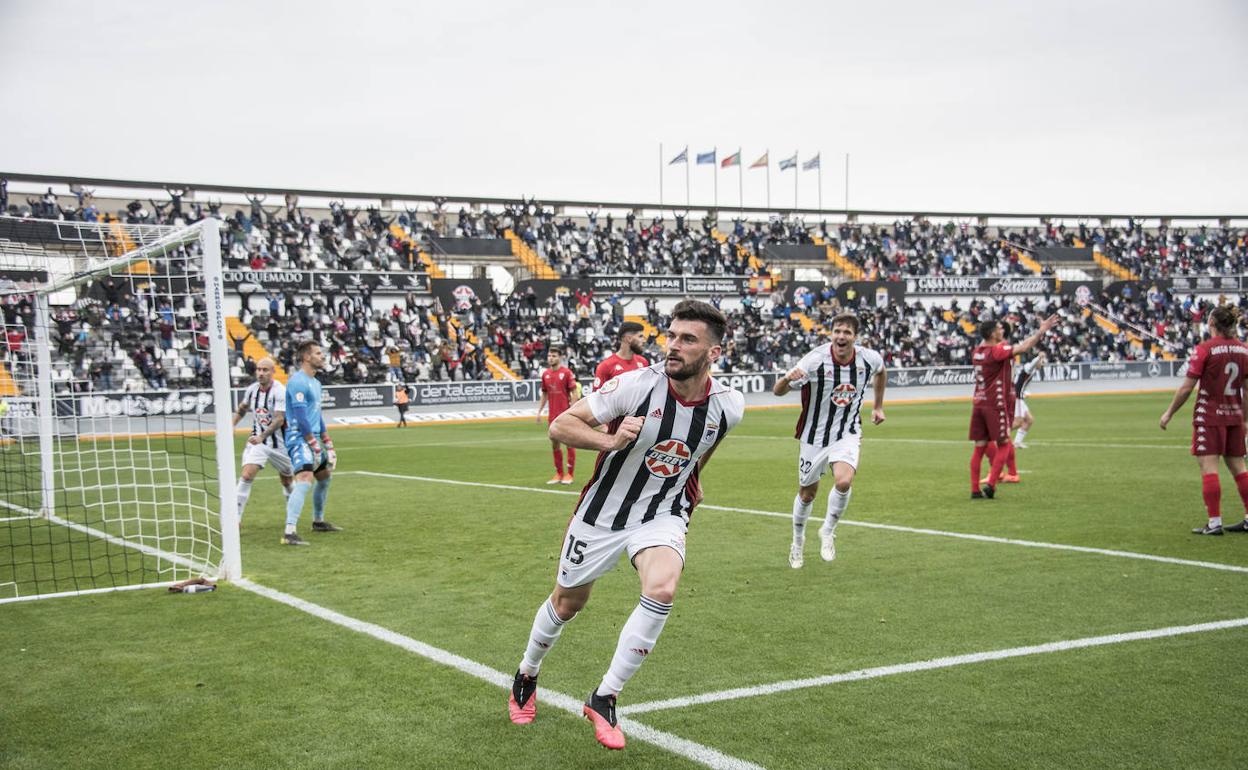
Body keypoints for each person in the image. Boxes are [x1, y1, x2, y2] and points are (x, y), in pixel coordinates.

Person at [507, 300, 744, 751]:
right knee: (568, 602)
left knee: (662, 589)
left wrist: (692, 481)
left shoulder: (729, 405)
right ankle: (527, 672)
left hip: (661, 512)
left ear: (714, 352)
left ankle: (605, 696)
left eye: (687, 339)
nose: (673, 346)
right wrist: (610, 440)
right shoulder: (637, 385)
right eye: (671, 335)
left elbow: (704, 445)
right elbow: (561, 425)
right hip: (602, 515)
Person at [772, 313, 886, 567]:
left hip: (847, 432)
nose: (841, 336)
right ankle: (797, 542)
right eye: (837, 331)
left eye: (846, 332)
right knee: (807, 493)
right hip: (814, 437)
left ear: (855, 337)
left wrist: (878, 406)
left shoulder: (869, 359)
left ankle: (827, 530)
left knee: (844, 481)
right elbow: (777, 392)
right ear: (831, 334)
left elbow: (881, 372)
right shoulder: (814, 361)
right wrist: (787, 378)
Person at [1159, 305, 1248, 535]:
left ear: (1212, 325)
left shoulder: (1205, 349)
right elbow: (1247, 391)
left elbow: (1187, 388)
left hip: (1209, 416)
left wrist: (1169, 412)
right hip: (1235, 416)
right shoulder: (1243, 350)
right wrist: (1245, 419)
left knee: (1209, 468)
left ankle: (1215, 522)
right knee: (1239, 468)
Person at [969, 315, 1058, 499]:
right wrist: (1041, 331)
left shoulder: (977, 351)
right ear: (993, 333)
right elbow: (1024, 347)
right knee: (1004, 443)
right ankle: (993, 484)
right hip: (995, 403)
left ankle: (975, 490)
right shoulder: (996, 351)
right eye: (1000, 328)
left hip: (978, 402)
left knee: (979, 448)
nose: (1002, 330)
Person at [282, 340, 341, 545]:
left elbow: (315, 414)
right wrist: (312, 443)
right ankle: (289, 532)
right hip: (299, 438)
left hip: (313, 438)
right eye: (318, 353)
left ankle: (318, 521)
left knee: (324, 477)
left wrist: (327, 441)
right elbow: (300, 417)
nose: (322, 356)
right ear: (306, 357)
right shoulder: (297, 381)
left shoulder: (316, 383)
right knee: (305, 478)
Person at [231, 358, 292, 522]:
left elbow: (279, 419)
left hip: (280, 445)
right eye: (258, 369)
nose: (261, 373)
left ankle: (291, 511)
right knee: (246, 474)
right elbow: (243, 408)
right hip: (259, 443)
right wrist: (232, 425)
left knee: (287, 479)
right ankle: (234, 520)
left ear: (273, 372)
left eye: (265, 370)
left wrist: (262, 436)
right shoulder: (252, 390)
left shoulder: (280, 391)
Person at [536, 346, 579, 484]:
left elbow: (574, 393)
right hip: (552, 416)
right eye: (549, 356)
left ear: (560, 357)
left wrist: (572, 410)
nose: (551, 358)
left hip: (565, 416)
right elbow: (544, 393)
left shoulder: (566, 373)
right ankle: (559, 474)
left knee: (569, 443)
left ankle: (570, 475)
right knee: (555, 445)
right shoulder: (546, 374)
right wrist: (539, 411)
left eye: (554, 356)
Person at [593, 321, 649, 391]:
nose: (644, 341)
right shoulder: (606, 366)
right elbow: (595, 398)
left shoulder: (643, 362)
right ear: (629, 338)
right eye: (640, 336)